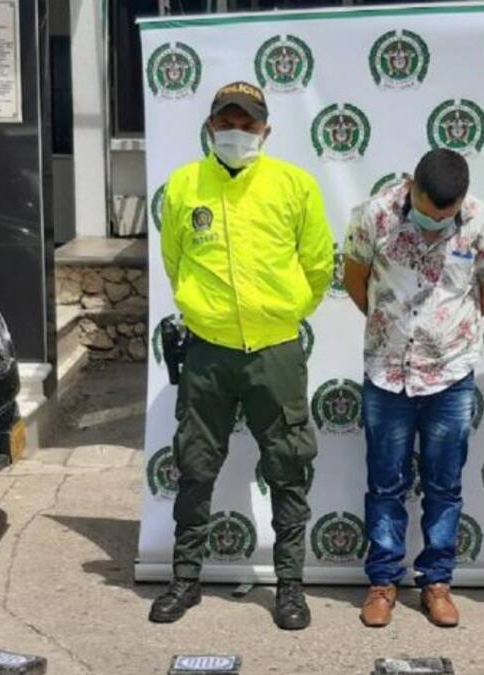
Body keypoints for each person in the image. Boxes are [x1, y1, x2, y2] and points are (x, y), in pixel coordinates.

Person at [152, 81, 333, 630]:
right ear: (210, 127)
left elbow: (319, 264)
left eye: (247, 124)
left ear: (266, 130)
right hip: (208, 352)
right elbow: (176, 261)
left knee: (287, 466)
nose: (236, 133)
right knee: (195, 465)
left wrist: (283, 311)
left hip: (274, 353)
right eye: (226, 123)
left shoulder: (293, 186)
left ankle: (291, 586)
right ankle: (185, 578)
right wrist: (205, 312)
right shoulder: (185, 185)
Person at [343, 150, 484, 628]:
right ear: (412, 185)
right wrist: (387, 327)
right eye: (427, 213)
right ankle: (382, 583)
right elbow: (355, 280)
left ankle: (436, 583)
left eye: (446, 217)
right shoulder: (373, 216)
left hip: (451, 376)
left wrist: (447, 332)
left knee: (444, 485)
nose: (436, 225)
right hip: (386, 373)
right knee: (385, 483)